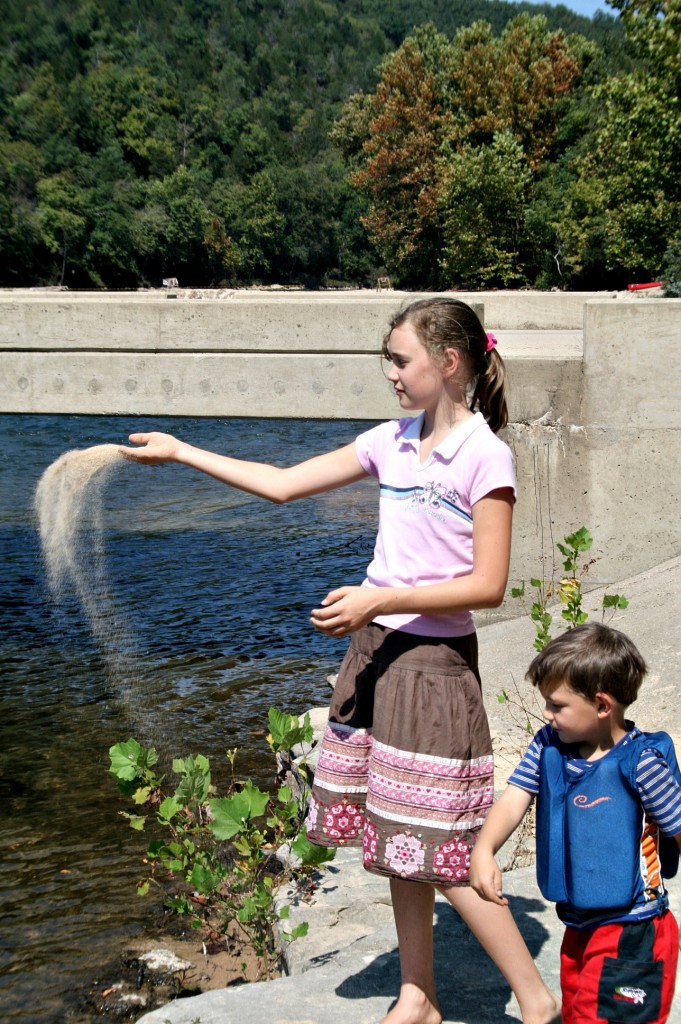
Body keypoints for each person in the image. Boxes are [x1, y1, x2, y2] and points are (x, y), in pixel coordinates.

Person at [120, 296, 559, 1024]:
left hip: (431, 665)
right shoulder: (391, 441)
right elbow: (283, 484)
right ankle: (417, 995)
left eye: (399, 359)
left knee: (442, 845)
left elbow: (489, 584)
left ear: (448, 362)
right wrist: (181, 451)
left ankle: (535, 1000)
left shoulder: (484, 456)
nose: (388, 373)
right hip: (376, 654)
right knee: (393, 834)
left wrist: (374, 601)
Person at [470, 622, 681, 1024]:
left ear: (602, 705)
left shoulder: (642, 766)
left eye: (557, 705)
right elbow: (515, 796)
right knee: (579, 1014)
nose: (547, 715)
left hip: (632, 932)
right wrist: (484, 849)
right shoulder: (548, 746)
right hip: (579, 927)